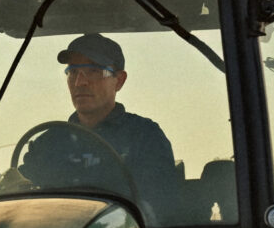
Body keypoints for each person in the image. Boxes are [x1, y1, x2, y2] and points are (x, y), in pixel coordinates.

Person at [13, 33, 181, 210]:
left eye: (93, 71)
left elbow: (161, 210)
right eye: (73, 72)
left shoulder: (144, 137)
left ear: (119, 80)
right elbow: (21, 207)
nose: (80, 82)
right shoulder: (47, 144)